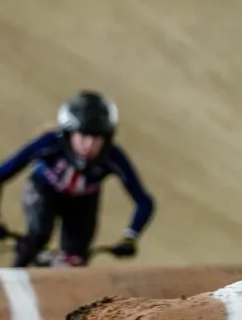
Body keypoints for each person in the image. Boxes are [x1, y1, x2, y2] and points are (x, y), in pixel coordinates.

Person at [0, 91, 155, 267]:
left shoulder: (113, 156)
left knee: (77, 258)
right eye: (83, 136)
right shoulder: (48, 144)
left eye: (97, 138)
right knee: (38, 236)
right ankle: (15, 272)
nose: (89, 145)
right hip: (44, 193)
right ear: (68, 134)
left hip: (83, 204)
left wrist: (130, 237)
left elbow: (144, 201)